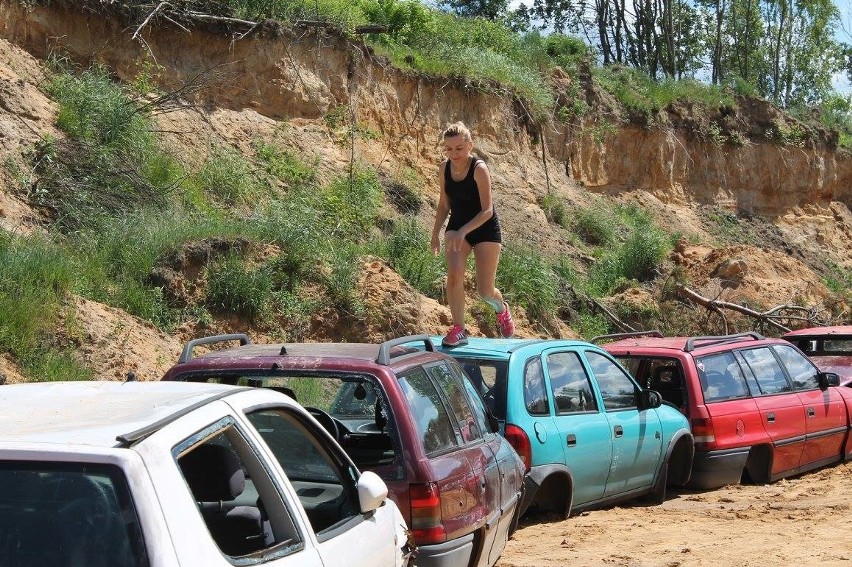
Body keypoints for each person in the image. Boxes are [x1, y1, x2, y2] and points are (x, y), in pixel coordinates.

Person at [430, 121, 514, 347]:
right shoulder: (444, 168)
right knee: (454, 274)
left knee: (485, 292)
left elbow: (487, 210)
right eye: (448, 149)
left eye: (459, 148)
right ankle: (459, 329)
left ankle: (501, 309)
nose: (453, 153)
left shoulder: (479, 168)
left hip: (485, 228)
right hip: (458, 227)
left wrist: (463, 231)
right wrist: (436, 233)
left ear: (470, 146)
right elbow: (444, 203)